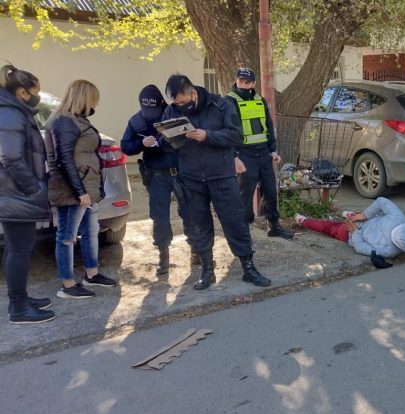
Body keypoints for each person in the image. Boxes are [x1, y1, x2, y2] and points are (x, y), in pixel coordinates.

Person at [159, 74, 271, 290]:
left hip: (221, 174)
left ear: (192, 93)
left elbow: (236, 135)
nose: (180, 107)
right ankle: (207, 270)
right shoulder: (172, 111)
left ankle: (248, 267)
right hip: (191, 177)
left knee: (234, 220)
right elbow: (168, 145)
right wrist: (170, 138)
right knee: (198, 224)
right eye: (176, 104)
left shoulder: (220, 105)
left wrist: (207, 136)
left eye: (183, 102)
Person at [45, 80, 118, 299]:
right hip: (73, 191)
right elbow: (64, 158)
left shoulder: (77, 120)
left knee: (90, 232)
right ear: (84, 97)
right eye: (93, 99)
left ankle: (92, 274)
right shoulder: (64, 121)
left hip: (86, 187)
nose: (95, 103)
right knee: (67, 237)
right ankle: (67, 286)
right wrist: (80, 192)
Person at [0, 64, 55, 323]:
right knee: (19, 248)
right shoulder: (10, 114)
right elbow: (10, 157)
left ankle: (20, 298)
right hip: (15, 193)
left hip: (13, 192)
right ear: (22, 92)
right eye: (35, 92)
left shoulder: (13, 111)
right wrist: (33, 188)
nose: (37, 97)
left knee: (17, 247)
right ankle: (19, 308)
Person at [121, 85, 194, 275]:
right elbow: (126, 146)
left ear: (162, 103)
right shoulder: (136, 121)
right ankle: (163, 256)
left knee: (190, 212)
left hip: (179, 172)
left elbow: (188, 139)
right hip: (156, 175)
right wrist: (140, 143)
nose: (151, 115)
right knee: (159, 217)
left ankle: (196, 250)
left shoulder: (173, 115)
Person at [225, 68, 294, 240]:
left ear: (254, 83)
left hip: (263, 152)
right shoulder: (228, 101)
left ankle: (274, 225)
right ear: (236, 81)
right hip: (244, 153)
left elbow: (268, 127)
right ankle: (244, 229)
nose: (244, 84)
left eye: (247, 82)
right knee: (245, 194)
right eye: (241, 81)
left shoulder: (259, 101)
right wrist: (234, 156)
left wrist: (273, 151)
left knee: (270, 190)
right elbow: (227, 130)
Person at [294, 197, 405, 268]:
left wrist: (356, 230)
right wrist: (363, 216)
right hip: (363, 223)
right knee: (331, 226)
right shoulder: (391, 251)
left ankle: (304, 221)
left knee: (329, 227)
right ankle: (351, 215)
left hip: (354, 232)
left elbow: (360, 247)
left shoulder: (400, 219)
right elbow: (362, 248)